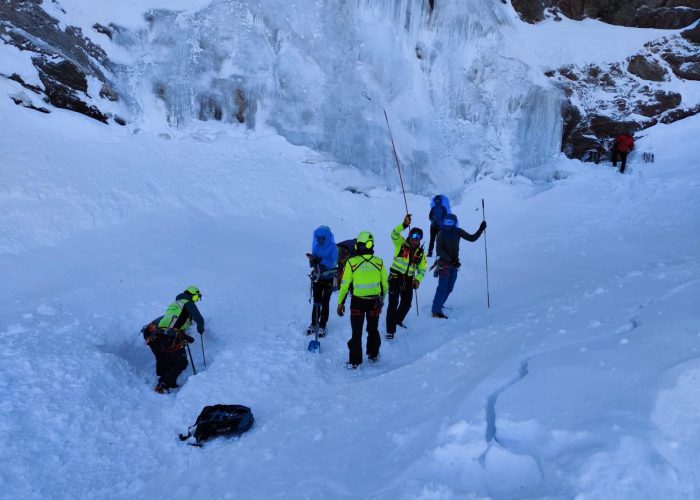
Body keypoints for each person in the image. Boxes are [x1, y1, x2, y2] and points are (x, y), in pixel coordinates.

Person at [337, 231, 388, 368]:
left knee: (356, 331)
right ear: (371, 245)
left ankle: (355, 361)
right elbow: (385, 284)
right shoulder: (379, 262)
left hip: (357, 302)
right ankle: (373, 354)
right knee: (373, 329)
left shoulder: (351, 263)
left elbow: (345, 285)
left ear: (358, 246)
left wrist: (340, 303)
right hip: (374, 302)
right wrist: (382, 300)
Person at [149, 286, 205, 394]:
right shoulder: (188, 303)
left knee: (172, 360)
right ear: (192, 295)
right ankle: (162, 384)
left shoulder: (176, 304)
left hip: (161, 335)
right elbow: (199, 319)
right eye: (197, 297)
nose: (197, 300)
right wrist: (200, 329)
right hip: (172, 336)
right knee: (181, 362)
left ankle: (170, 383)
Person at [431, 214, 486, 319]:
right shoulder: (441, 233)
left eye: (450, 222)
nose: (448, 224)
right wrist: (451, 260)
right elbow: (439, 251)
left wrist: (480, 229)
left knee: (450, 287)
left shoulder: (458, 231)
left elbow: (471, 238)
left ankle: (440, 303)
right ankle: (435, 311)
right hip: (444, 264)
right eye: (446, 222)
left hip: (454, 264)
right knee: (442, 288)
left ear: (454, 223)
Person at [385, 214, 427, 339]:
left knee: (407, 303)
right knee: (393, 303)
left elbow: (422, 269)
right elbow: (393, 234)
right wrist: (404, 225)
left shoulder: (420, 253)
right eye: (413, 236)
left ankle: (397, 320)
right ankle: (390, 331)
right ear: (409, 235)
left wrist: (418, 280)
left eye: (418, 238)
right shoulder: (400, 243)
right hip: (395, 276)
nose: (415, 239)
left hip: (408, 279)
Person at [306, 226, 338, 337]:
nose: (319, 239)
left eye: (321, 237)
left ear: (327, 237)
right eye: (318, 237)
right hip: (317, 277)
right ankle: (314, 323)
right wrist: (312, 260)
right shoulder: (316, 246)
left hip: (328, 278)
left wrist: (321, 260)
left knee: (325, 302)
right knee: (316, 301)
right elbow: (314, 262)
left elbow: (333, 263)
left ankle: (322, 325)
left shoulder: (333, 248)